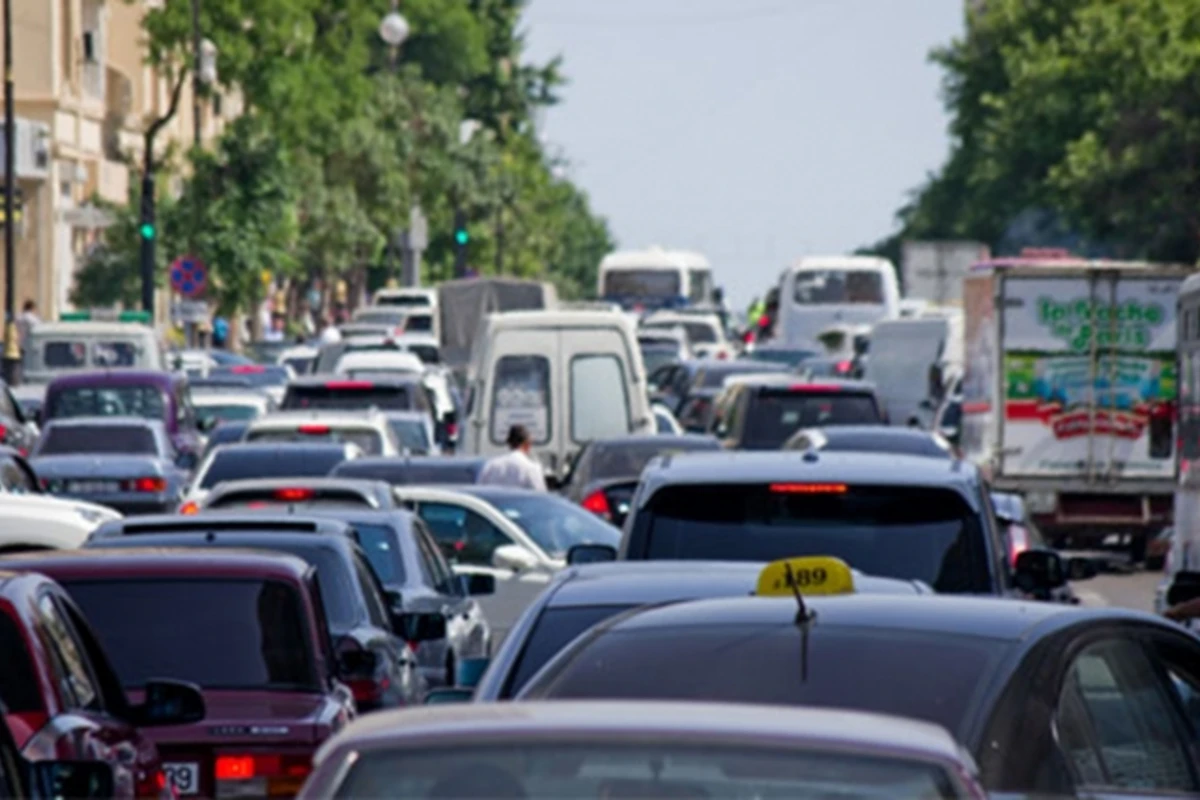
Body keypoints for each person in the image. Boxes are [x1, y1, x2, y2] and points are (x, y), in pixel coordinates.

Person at [477, 424, 546, 491]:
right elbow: (540, 496)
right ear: (527, 444)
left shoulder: (491, 465)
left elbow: (479, 491)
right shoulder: (532, 468)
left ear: (509, 443)